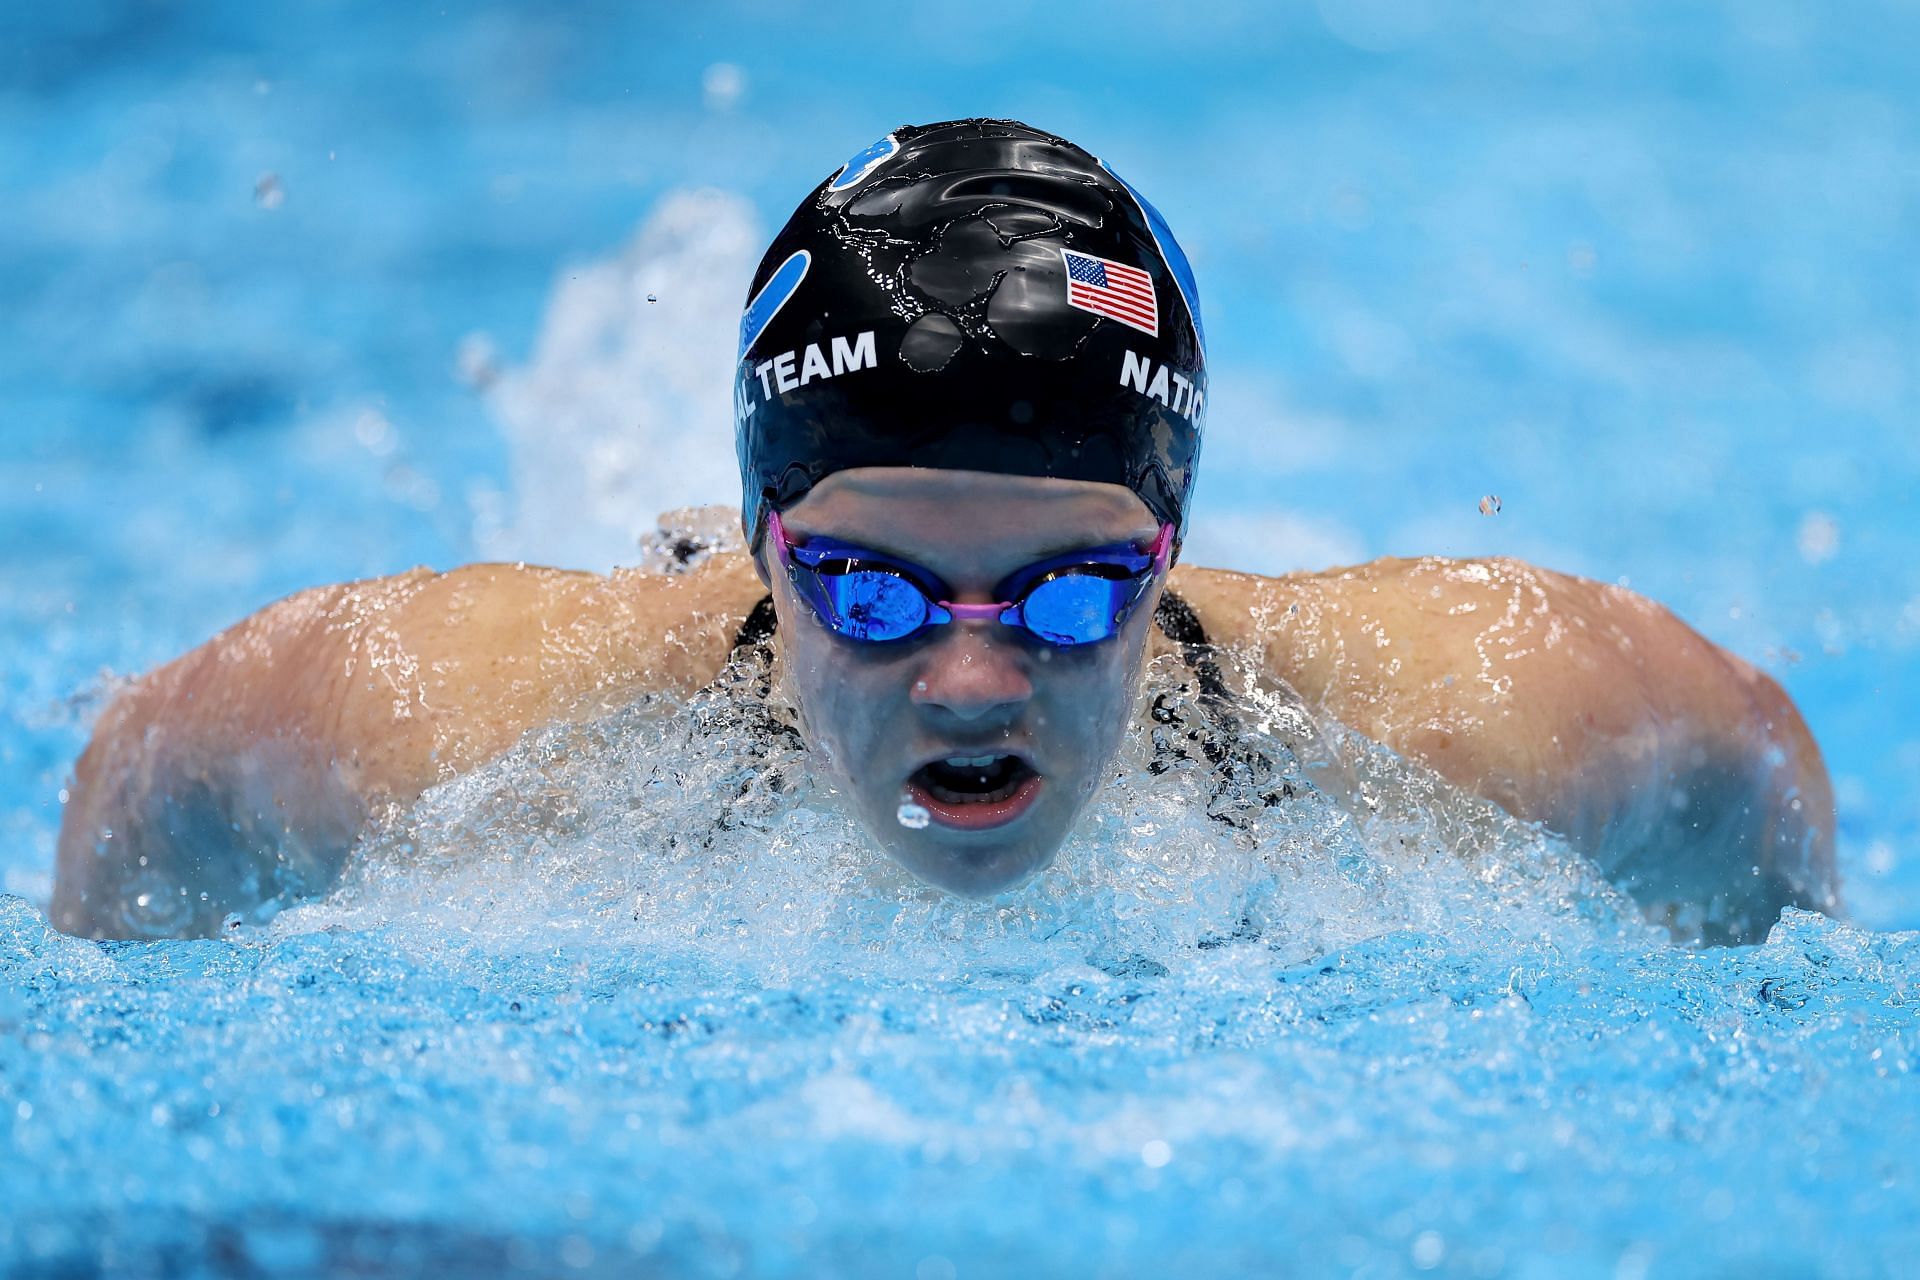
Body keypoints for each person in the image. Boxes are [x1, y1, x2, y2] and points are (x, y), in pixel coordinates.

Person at [50, 119, 1836, 945]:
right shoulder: (469, 722)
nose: (970, 678)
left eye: (1068, 594)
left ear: (1170, 546)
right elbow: (147, 772)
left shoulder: (1466, 717)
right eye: (871, 588)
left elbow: (1753, 768)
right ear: (767, 546)